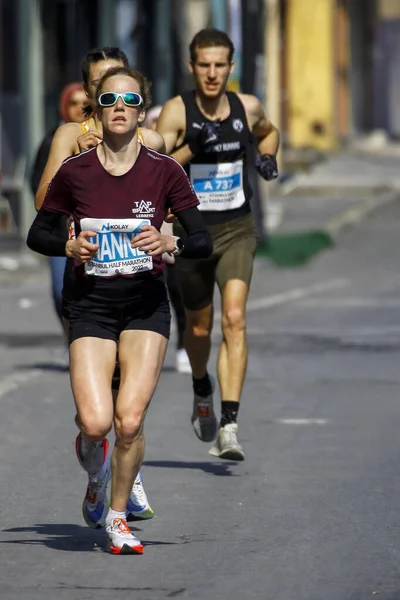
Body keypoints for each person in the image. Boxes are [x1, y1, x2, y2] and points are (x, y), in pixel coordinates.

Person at [27, 65, 213, 554]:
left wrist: (168, 238)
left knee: (129, 421)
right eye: (109, 100)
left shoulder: (163, 170)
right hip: (90, 306)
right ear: (98, 108)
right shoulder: (75, 171)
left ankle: (116, 517)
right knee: (94, 422)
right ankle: (96, 473)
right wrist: (68, 248)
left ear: (141, 110)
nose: (119, 109)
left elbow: (200, 239)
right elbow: (37, 233)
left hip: (145, 307)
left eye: (129, 101)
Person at [35, 48, 166, 530]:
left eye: (124, 92)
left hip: (138, 276)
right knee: (96, 411)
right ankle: (97, 470)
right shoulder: (70, 136)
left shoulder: (149, 138)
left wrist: (164, 236)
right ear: (91, 91)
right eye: (103, 88)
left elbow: (168, 202)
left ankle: (126, 480)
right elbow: (41, 204)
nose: (114, 98)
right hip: (87, 278)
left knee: (130, 399)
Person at [157, 28, 280, 460]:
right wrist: (191, 149)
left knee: (235, 318)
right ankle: (200, 387)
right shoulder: (176, 111)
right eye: (204, 65)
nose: (212, 74)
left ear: (231, 67)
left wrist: (267, 158)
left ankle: (229, 425)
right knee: (199, 328)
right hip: (193, 235)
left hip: (236, 229)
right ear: (192, 67)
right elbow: (153, 167)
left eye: (220, 65)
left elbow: (269, 132)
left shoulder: (246, 107)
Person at [30, 83, 90, 342]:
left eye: (83, 103)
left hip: (92, 233)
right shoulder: (55, 139)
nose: (79, 108)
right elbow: (37, 183)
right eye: (72, 103)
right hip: (59, 230)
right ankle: (72, 336)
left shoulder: (106, 140)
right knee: (59, 291)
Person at [147, 106, 191, 375]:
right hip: (145, 238)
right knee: (152, 293)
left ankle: (184, 347)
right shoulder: (133, 153)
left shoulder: (178, 160)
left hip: (176, 234)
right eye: (152, 122)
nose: (156, 128)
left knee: (181, 294)